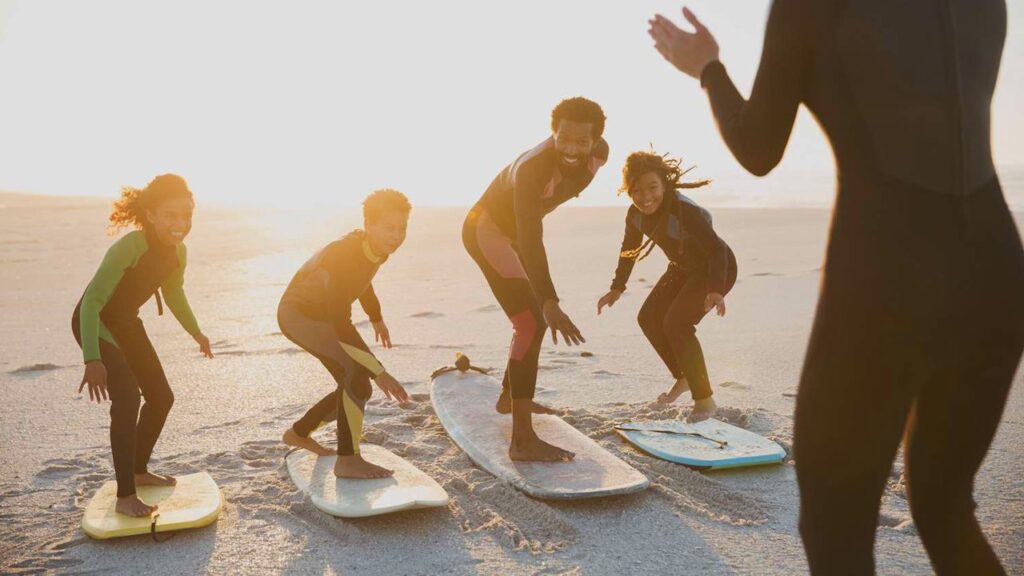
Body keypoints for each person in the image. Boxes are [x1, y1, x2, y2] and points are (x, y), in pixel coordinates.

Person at [648, 3, 1023, 574]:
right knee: (944, 507)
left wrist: (708, 69)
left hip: (886, 278)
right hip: (995, 273)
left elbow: (758, 147)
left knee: (835, 525)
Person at [463, 96, 609, 461]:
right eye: (564, 138)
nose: (572, 148)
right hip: (488, 231)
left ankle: (507, 400)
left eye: (582, 141)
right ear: (553, 133)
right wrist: (550, 300)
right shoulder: (532, 170)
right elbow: (530, 235)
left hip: (514, 235)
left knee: (533, 321)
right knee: (530, 321)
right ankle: (522, 441)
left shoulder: (600, 155)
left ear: (595, 141)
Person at [73, 174, 214, 517]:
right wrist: (92, 358)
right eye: (171, 215)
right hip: (96, 322)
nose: (180, 224)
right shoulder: (131, 247)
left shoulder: (178, 252)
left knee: (161, 397)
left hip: (126, 323)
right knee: (128, 397)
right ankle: (125, 496)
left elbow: (174, 292)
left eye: (186, 216)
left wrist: (196, 332)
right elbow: (92, 302)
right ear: (151, 215)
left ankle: (137, 468)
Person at [279, 189, 410, 479]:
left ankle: (299, 433)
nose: (397, 235)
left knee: (355, 383)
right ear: (369, 225)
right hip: (299, 315)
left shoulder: (375, 249)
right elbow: (341, 322)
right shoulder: (344, 254)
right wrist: (379, 370)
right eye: (389, 227)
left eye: (402, 228)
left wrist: (376, 317)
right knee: (358, 378)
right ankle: (347, 460)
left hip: (323, 316)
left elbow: (364, 280)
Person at [597, 151, 736, 421]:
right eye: (636, 190)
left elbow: (717, 250)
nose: (645, 197)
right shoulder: (635, 215)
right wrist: (618, 286)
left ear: (665, 184)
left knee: (677, 323)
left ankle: (705, 401)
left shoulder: (684, 211)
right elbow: (630, 249)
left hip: (714, 269)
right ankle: (684, 376)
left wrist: (715, 288)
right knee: (648, 318)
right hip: (682, 269)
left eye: (652, 188)